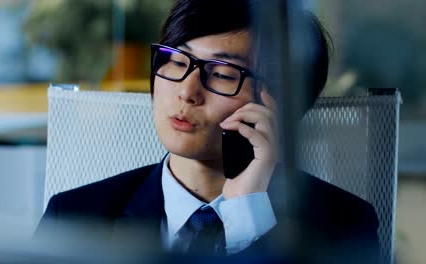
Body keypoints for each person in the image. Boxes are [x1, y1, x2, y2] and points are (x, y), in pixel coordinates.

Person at [37, 0, 379, 262]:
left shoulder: (343, 225)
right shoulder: (75, 215)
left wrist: (249, 214)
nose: (187, 91)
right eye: (176, 59)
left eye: (222, 73)